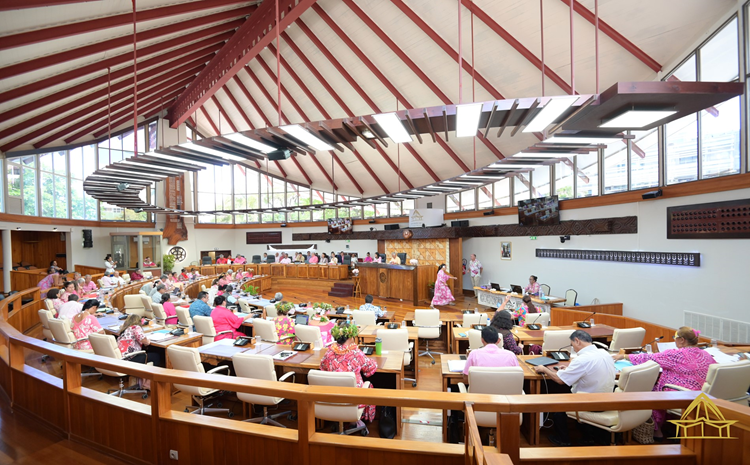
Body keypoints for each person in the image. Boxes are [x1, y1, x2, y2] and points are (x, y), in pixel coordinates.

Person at [614, 326, 715, 437]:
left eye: (675, 337)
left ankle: (657, 431)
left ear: (682, 340)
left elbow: (649, 358)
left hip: (683, 395)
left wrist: (623, 356)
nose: (674, 340)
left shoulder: (676, 354)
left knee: (651, 390)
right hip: (702, 395)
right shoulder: (706, 355)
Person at [534, 330, 616, 446]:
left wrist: (544, 369)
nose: (573, 348)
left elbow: (560, 380)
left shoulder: (582, 359)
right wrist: (569, 370)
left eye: (572, 345)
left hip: (588, 402)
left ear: (577, 341)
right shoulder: (604, 353)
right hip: (607, 399)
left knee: (557, 403)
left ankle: (564, 440)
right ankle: (588, 436)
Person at [320, 322, 377, 423]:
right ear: (351, 337)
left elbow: (323, 368)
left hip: (333, 397)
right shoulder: (355, 353)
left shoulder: (329, 352)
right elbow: (370, 368)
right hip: (354, 399)